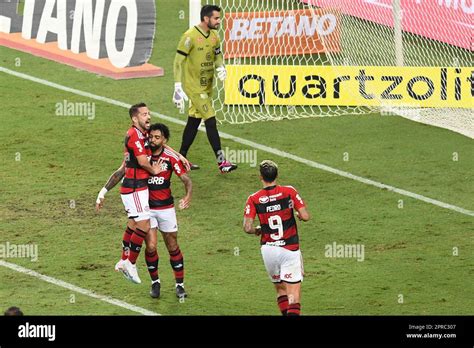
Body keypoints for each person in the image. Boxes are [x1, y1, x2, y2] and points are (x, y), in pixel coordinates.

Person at [96, 123, 192, 299]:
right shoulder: (141, 154)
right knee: (151, 246)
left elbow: (186, 179)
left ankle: (180, 285)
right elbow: (120, 172)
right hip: (147, 209)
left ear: (164, 140)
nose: (153, 140)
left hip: (167, 208)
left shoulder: (169, 157)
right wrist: (103, 191)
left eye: (158, 137)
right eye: (152, 137)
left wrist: (187, 196)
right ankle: (155, 282)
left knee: (172, 246)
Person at [173, 4, 237, 173]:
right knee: (210, 119)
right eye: (216, 18)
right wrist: (177, 86)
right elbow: (178, 62)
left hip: (208, 87)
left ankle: (180, 159)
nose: (219, 21)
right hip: (194, 88)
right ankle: (222, 162)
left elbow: (217, 56)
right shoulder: (190, 36)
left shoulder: (214, 36)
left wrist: (220, 67)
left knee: (193, 122)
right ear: (206, 18)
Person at [243, 160, 310, 316]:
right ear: (277, 175)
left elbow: (247, 228)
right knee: (293, 295)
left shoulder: (253, 198)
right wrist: (299, 215)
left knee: (280, 290)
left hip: (269, 250)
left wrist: (257, 229)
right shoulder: (289, 191)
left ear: (260, 176)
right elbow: (305, 216)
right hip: (289, 248)